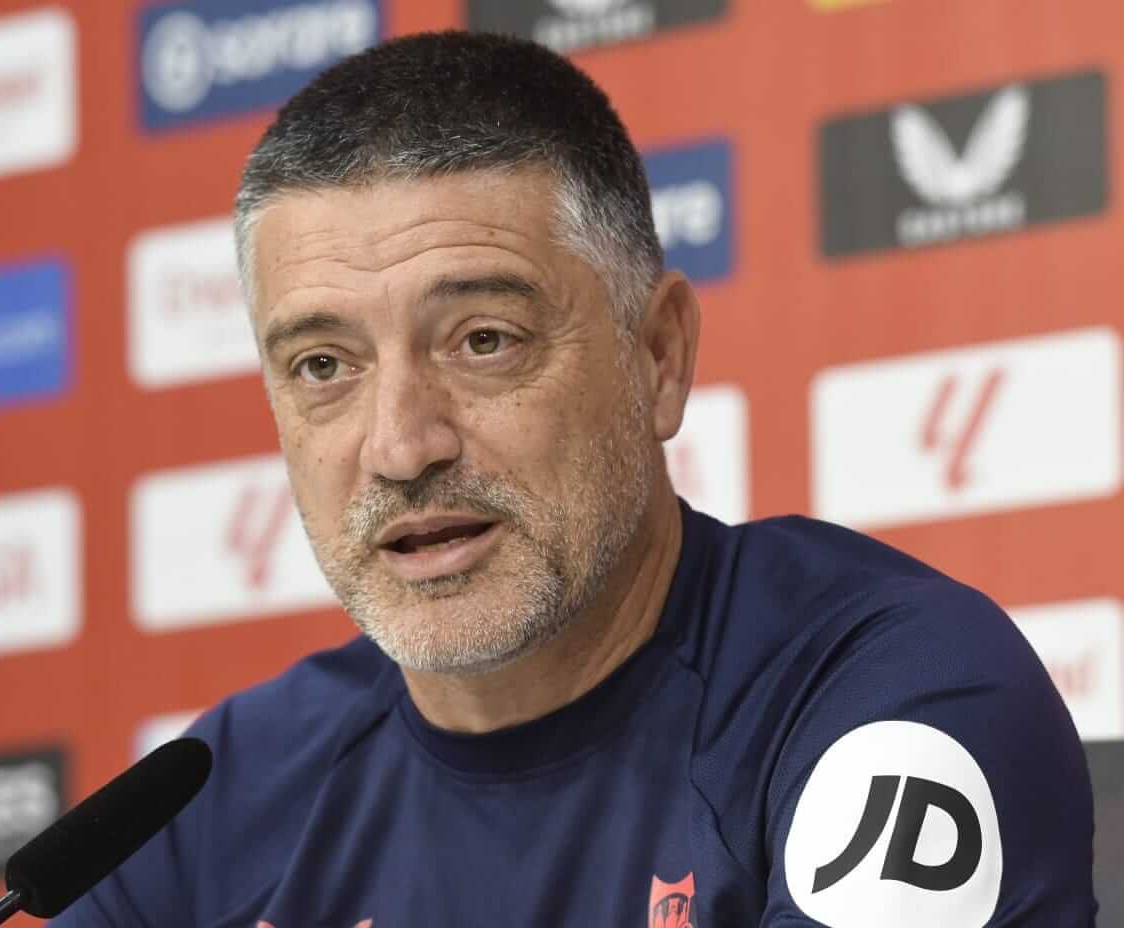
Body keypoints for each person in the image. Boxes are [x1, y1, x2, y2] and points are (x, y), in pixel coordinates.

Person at [53, 31, 1094, 927]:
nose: (402, 445)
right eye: (324, 366)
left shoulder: (889, 693)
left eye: (483, 340)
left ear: (658, 356)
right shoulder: (217, 796)